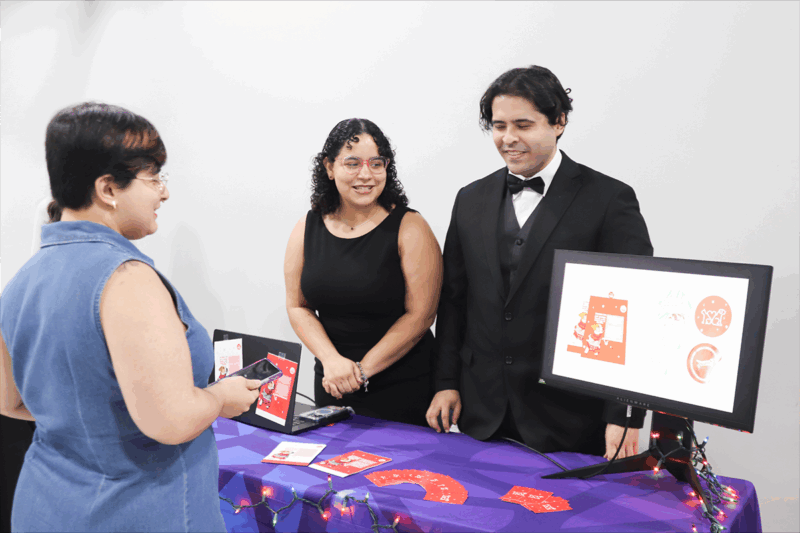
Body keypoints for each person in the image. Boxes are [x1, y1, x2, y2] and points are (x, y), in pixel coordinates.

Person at [0, 102, 261, 532]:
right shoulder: (126, 279)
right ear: (108, 189)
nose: (164, 193)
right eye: (153, 177)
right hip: (134, 510)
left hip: (45, 505)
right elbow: (172, 421)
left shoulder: (22, 280)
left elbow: (12, 402)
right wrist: (220, 397)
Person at [426, 66, 653, 458]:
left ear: (559, 122)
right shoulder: (470, 199)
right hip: (481, 409)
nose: (508, 138)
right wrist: (445, 382)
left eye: (523, 125)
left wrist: (625, 414)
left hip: (571, 417)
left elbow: (633, 310)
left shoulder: (609, 200)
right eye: (499, 126)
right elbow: (453, 300)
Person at [284, 118, 443, 426]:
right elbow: (297, 306)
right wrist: (331, 361)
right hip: (333, 382)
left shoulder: (410, 226)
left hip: (403, 386)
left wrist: (361, 371)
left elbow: (421, 315)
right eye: (352, 163)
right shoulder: (307, 226)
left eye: (376, 163)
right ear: (329, 167)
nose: (366, 174)